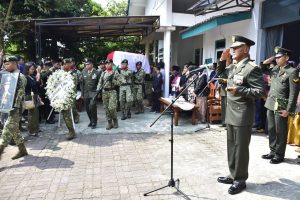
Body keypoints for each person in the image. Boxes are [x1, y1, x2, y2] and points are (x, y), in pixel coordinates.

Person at [216, 35, 264, 195]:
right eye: (232, 47)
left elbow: (260, 92)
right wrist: (222, 60)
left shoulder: (252, 68)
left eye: (236, 47)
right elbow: (220, 74)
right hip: (230, 112)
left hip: (243, 114)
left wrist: (240, 90)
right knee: (231, 146)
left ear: (245, 49)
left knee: (241, 148)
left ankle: (240, 179)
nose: (233, 50)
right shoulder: (235, 66)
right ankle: (232, 174)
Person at [262, 46, 299, 164]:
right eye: (276, 57)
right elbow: (262, 69)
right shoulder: (276, 69)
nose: (277, 59)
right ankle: (272, 151)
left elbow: (294, 93)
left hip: (281, 104)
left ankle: (279, 154)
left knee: (281, 131)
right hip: (271, 103)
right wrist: (267, 61)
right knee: (271, 129)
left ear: (287, 57)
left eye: (279, 57)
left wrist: (289, 109)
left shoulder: (292, 72)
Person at [0, 55, 28, 160]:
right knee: (15, 130)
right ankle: (22, 150)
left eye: (8, 64)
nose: (5, 66)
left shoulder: (21, 77)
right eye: (5, 63)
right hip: (5, 106)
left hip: (15, 108)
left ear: (15, 63)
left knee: (6, 130)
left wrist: (15, 107)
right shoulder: (6, 76)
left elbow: (20, 93)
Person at [97, 59, 120, 130]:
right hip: (104, 92)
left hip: (112, 91)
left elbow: (120, 83)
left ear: (112, 64)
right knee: (106, 108)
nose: (107, 65)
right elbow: (100, 82)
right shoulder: (103, 73)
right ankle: (109, 122)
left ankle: (115, 120)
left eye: (109, 64)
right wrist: (98, 90)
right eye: (106, 64)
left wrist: (112, 80)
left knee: (112, 108)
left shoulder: (115, 72)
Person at [81, 59, 101, 129]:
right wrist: (82, 94)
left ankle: (94, 122)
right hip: (86, 93)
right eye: (86, 65)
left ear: (92, 65)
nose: (87, 66)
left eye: (88, 64)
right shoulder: (83, 72)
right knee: (87, 108)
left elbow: (99, 83)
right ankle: (91, 120)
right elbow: (82, 84)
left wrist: (98, 93)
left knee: (92, 107)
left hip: (94, 92)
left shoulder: (97, 73)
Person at [61, 58, 77, 140]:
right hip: (61, 97)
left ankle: (72, 131)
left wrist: (69, 97)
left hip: (68, 97)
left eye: (67, 64)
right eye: (64, 64)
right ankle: (70, 130)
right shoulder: (60, 73)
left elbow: (73, 87)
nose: (65, 65)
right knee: (65, 115)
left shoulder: (72, 74)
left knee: (67, 115)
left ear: (70, 65)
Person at [23, 62, 40, 136]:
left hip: (34, 95)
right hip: (29, 96)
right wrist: (38, 77)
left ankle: (36, 128)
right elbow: (32, 85)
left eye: (33, 69)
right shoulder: (25, 77)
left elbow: (37, 85)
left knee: (35, 113)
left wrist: (38, 79)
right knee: (32, 114)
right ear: (27, 69)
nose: (33, 70)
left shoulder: (32, 76)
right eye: (31, 69)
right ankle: (31, 130)